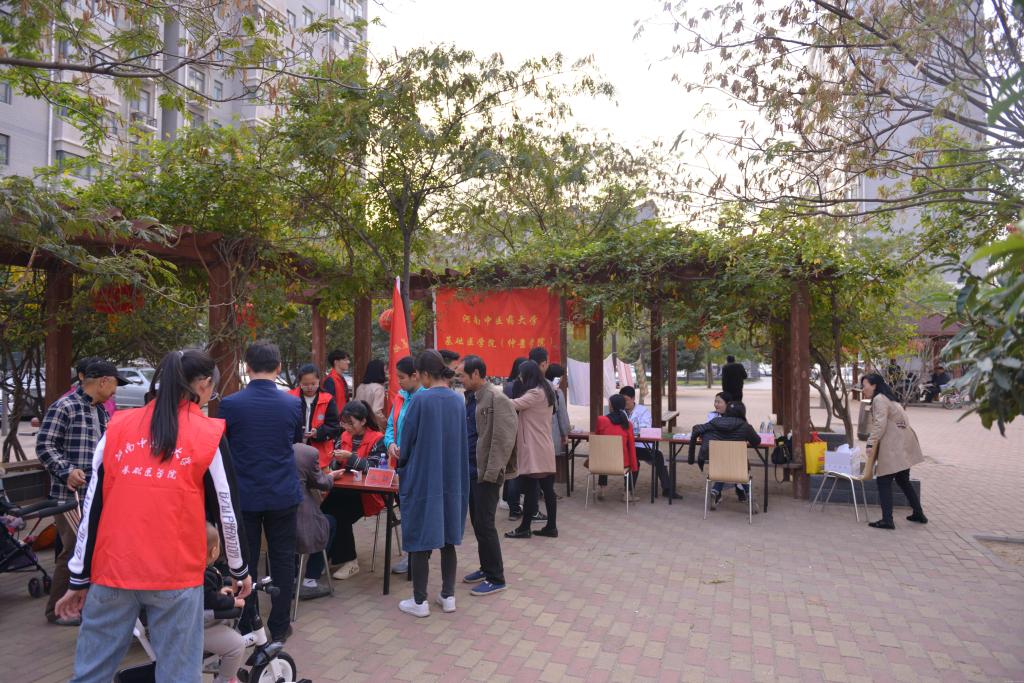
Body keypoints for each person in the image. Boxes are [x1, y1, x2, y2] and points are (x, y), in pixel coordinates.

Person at [55, 349, 251, 683]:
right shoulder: (207, 434)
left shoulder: (118, 426)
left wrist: (79, 576)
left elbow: (93, 505)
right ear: (204, 384)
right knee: (178, 675)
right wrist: (239, 568)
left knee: (90, 674)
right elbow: (226, 509)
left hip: (113, 570)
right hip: (175, 574)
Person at [218, 340, 303, 643]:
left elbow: (224, 446)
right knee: (283, 559)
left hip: (245, 494)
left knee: (245, 560)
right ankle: (280, 625)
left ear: (247, 366)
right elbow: (294, 439)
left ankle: (248, 623)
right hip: (282, 491)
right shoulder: (293, 403)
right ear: (279, 367)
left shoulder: (230, 404)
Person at [36, 358, 128, 626]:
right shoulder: (64, 406)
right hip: (68, 497)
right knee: (76, 550)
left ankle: (82, 606)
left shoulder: (101, 412)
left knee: (88, 549)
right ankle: (57, 611)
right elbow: (44, 446)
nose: (115, 391)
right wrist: (67, 471)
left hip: (95, 495)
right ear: (103, 381)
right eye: (114, 384)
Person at [396, 350, 469, 617]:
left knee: (419, 537)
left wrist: (402, 463)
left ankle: (420, 601)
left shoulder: (420, 400)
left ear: (425, 374)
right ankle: (448, 596)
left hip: (424, 478)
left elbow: (407, 441)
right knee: (448, 538)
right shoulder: (457, 400)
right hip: (452, 478)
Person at [457, 355, 517, 596]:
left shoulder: (497, 399)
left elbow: (503, 440)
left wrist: (491, 472)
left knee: (486, 524)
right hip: (471, 471)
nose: (459, 379)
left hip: (486, 474)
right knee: (478, 524)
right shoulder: (472, 398)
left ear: (476, 374)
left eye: (462, 375)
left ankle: (496, 578)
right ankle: (485, 568)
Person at [322, 400, 387, 581]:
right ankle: (326, 556)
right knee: (323, 510)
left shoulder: (378, 439)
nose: (347, 427)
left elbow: (375, 468)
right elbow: (333, 463)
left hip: (367, 494)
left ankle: (350, 561)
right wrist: (335, 461)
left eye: (350, 423)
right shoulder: (343, 436)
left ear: (363, 421)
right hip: (343, 488)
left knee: (340, 514)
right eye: (344, 423)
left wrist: (351, 457)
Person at [861, 374, 928, 529]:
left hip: (893, 445)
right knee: (903, 480)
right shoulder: (890, 398)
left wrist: (870, 443)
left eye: (865, 385)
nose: (863, 389)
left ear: (874, 385)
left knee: (883, 481)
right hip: (903, 442)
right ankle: (918, 513)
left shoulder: (879, 399)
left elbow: (880, 424)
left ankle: (887, 520)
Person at [505, 360, 559, 539]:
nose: (519, 377)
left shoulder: (535, 393)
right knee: (547, 489)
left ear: (527, 374)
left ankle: (525, 528)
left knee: (531, 489)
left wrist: (494, 395)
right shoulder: (547, 390)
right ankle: (550, 527)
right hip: (543, 445)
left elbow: (513, 404)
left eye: (521, 374)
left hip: (534, 448)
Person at [384, 355, 420, 575]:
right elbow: (390, 425)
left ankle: (417, 555)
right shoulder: (400, 397)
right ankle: (411, 554)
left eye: (402, 377)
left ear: (416, 376)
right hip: (399, 463)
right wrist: (390, 443)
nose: (399, 382)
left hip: (417, 464)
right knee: (405, 508)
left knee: (415, 510)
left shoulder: (424, 398)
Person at [689, 400, 761, 510]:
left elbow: (697, 429)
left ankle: (715, 490)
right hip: (739, 468)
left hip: (718, 467)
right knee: (738, 467)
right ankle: (750, 496)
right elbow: (757, 441)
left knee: (726, 465)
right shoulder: (745, 426)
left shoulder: (715, 422)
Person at [203, 523, 246, 683]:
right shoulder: (204, 574)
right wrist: (232, 601)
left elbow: (205, 596)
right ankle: (225, 679)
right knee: (237, 645)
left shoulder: (196, 570)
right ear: (214, 551)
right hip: (197, 627)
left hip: (190, 623)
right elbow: (210, 600)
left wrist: (219, 592)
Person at [619, 386, 679, 499]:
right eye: (622, 400)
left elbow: (645, 428)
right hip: (624, 447)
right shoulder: (619, 411)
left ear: (633, 398)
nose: (624, 403)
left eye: (626, 400)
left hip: (639, 446)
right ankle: (628, 492)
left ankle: (667, 489)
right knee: (634, 461)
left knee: (658, 456)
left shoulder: (642, 410)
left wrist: (630, 430)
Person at [295, 442, 336, 600]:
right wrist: (331, 477)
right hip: (300, 517)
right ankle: (310, 580)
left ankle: (292, 577)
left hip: (273, 518)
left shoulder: (272, 449)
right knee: (329, 522)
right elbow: (322, 483)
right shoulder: (305, 452)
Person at [289, 363, 341, 470]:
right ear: (299, 382)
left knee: (321, 480)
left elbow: (334, 427)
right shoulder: (289, 397)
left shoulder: (328, 399)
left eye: (313, 384)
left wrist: (318, 432)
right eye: (305, 384)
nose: (310, 387)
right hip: (294, 453)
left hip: (320, 456)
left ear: (319, 381)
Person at [592, 394, 640, 502]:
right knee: (630, 460)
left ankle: (602, 489)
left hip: (601, 463)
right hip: (622, 464)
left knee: (604, 452)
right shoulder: (628, 424)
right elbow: (631, 447)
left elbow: (597, 439)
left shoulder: (601, 420)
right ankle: (627, 494)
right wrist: (634, 466)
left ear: (611, 406)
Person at [501, 356, 527, 518]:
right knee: (516, 470)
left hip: (507, 428)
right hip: (518, 429)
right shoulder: (519, 386)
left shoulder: (507, 385)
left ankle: (507, 500)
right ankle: (514, 507)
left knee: (510, 467)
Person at [354, 358, 387, 426]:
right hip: (372, 425)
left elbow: (355, 406)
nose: (385, 373)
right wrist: (386, 423)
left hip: (360, 424)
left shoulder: (360, 386)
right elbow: (376, 411)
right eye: (384, 370)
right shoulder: (378, 388)